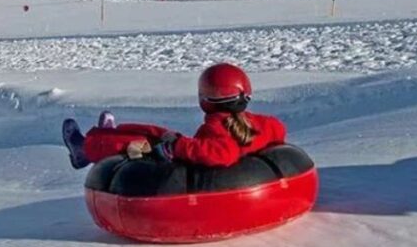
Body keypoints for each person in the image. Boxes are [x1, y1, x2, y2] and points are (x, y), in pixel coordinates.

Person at [61, 63, 287, 169]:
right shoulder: (262, 123)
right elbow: (278, 130)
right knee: (156, 133)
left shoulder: (217, 128)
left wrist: (178, 146)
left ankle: (85, 150)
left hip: (184, 173)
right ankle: (107, 133)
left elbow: (222, 154)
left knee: (141, 143)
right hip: (191, 158)